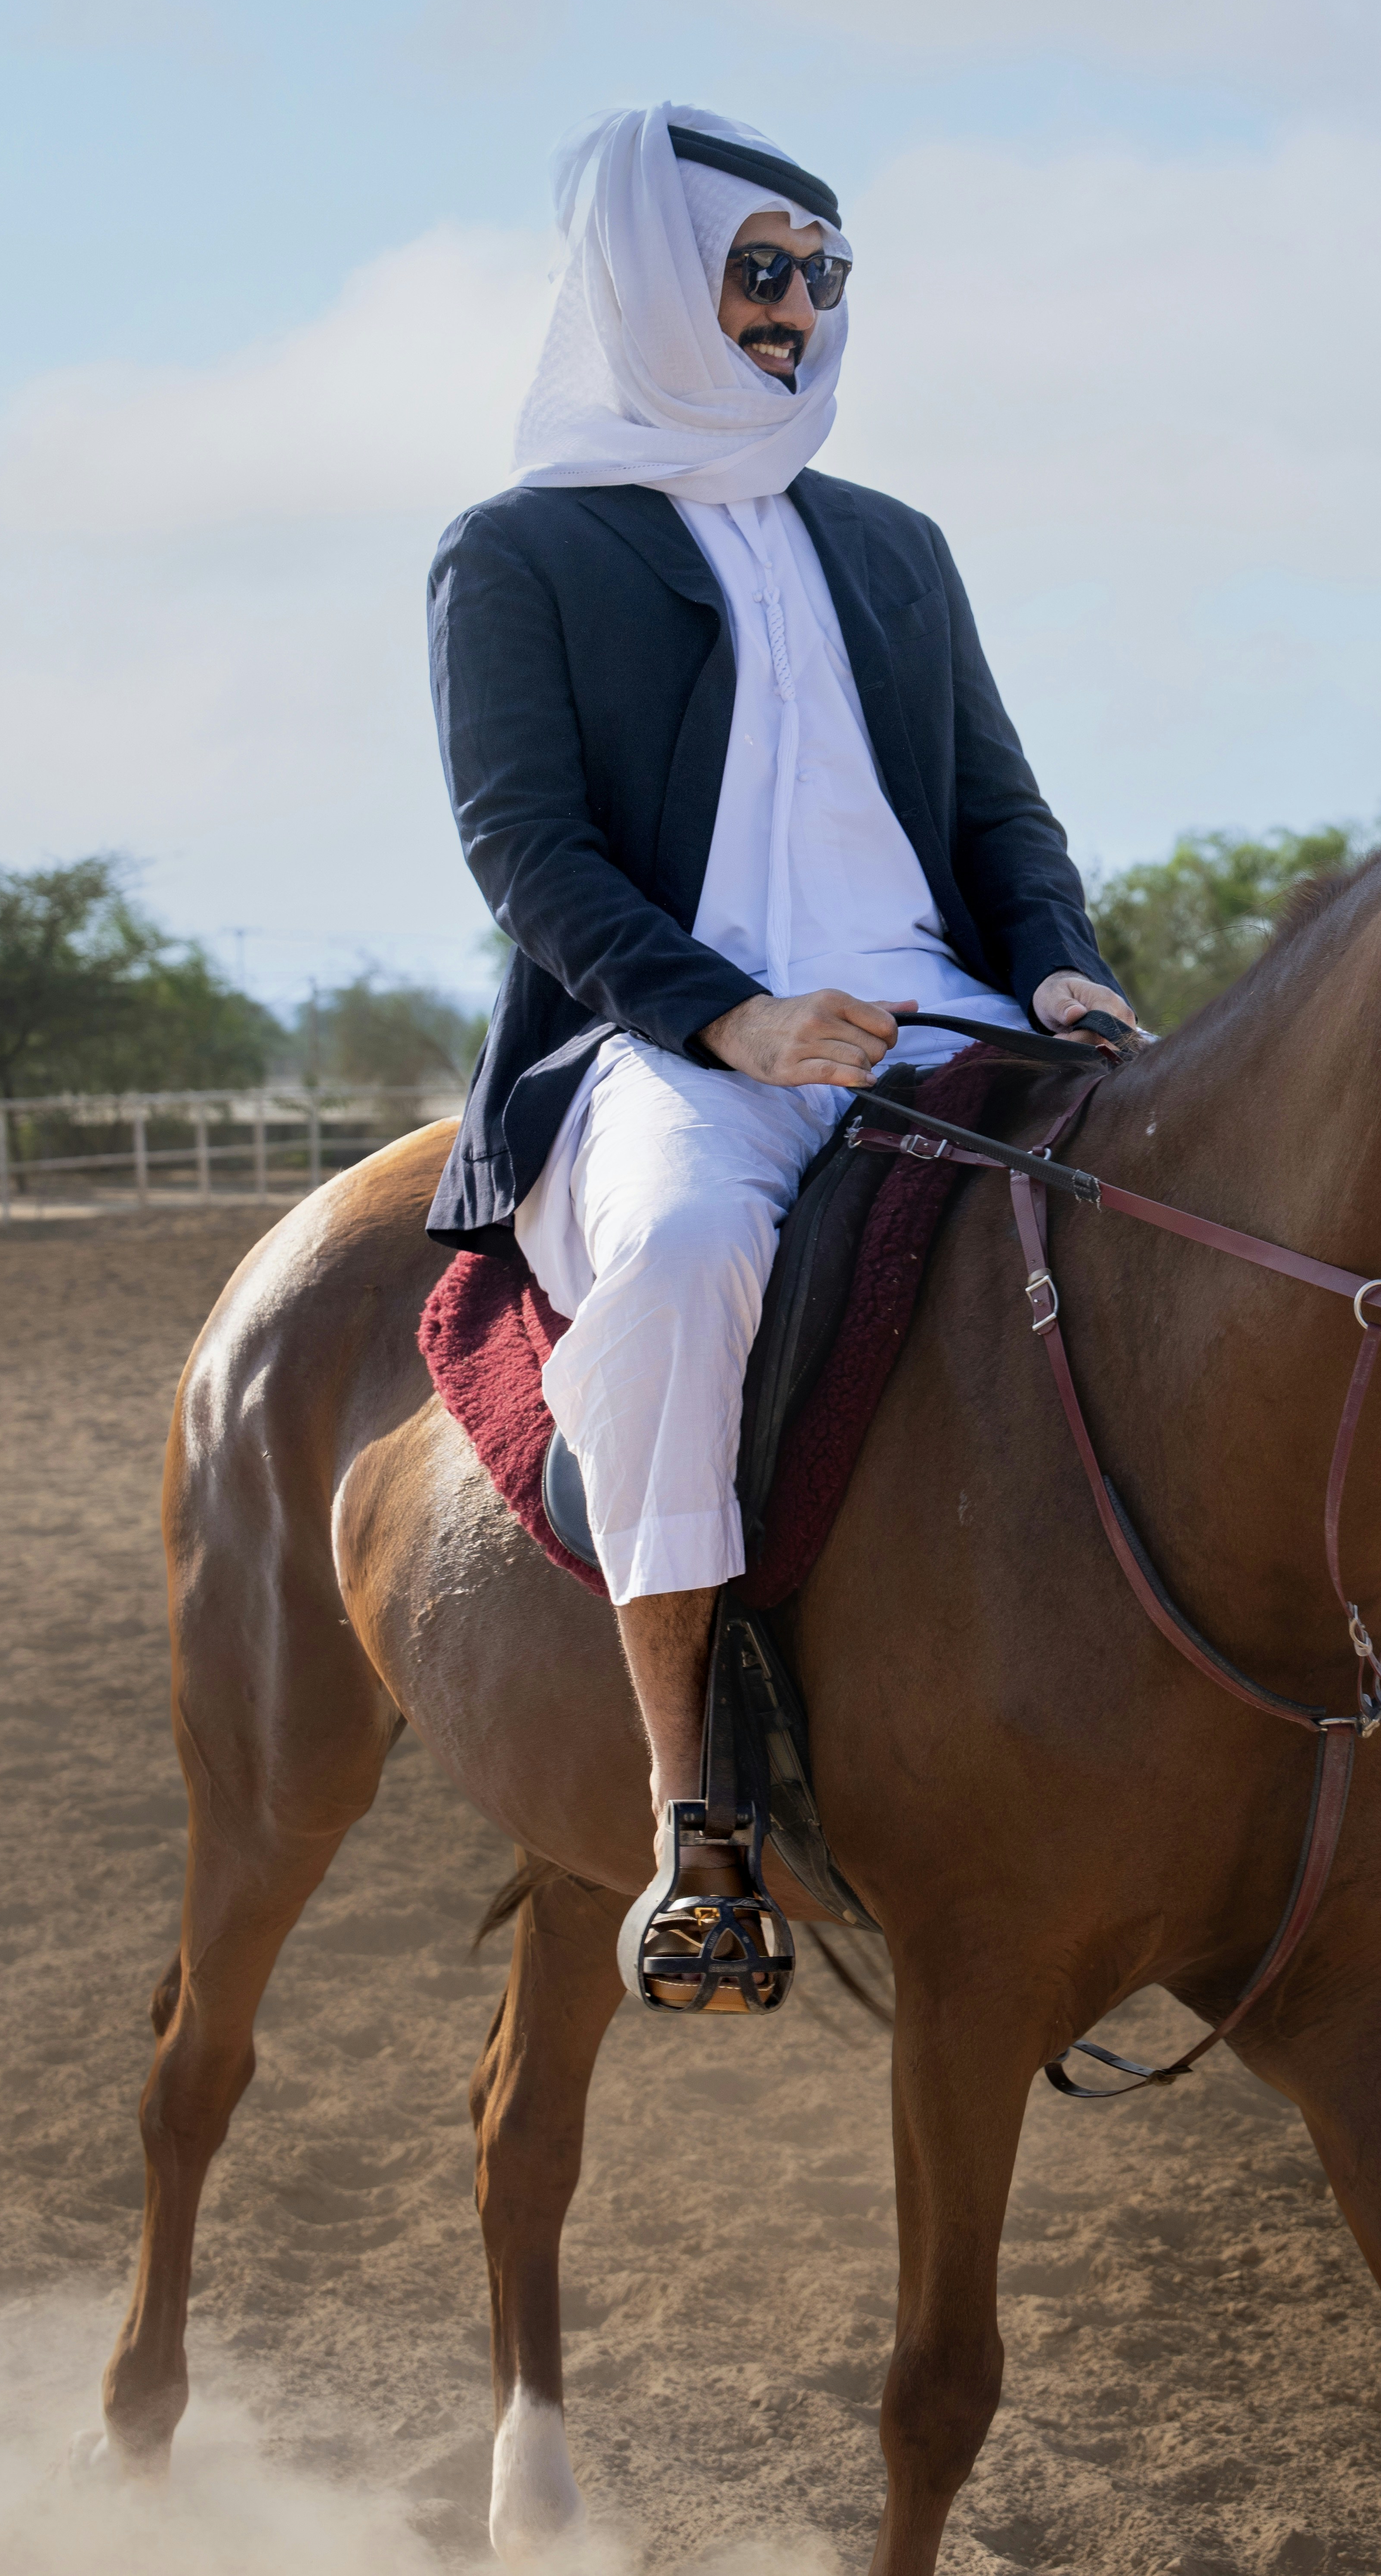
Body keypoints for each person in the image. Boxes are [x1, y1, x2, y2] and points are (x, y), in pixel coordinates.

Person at [423, 103, 1134, 2008]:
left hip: (949, 1017)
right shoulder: (522, 553)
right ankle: (695, 1816)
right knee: (673, 1266)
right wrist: (727, 1014)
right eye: (764, 274)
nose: (803, 311)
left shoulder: (895, 546)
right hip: (670, 1048)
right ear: (656, 279)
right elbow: (526, 848)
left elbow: (1002, 818)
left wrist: (1060, 973)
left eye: (826, 279)